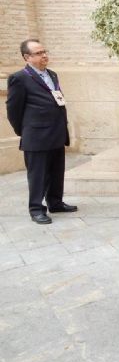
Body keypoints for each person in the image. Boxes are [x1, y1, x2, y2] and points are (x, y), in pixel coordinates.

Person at [6, 39, 77, 225]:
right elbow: (13, 110)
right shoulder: (19, 78)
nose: (44, 55)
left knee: (56, 171)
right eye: (38, 53)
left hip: (56, 132)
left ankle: (55, 202)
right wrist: (24, 131)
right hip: (36, 136)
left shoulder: (52, 74)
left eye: (44, 51)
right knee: (37, 175)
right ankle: (36, 209)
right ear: (27, 57)